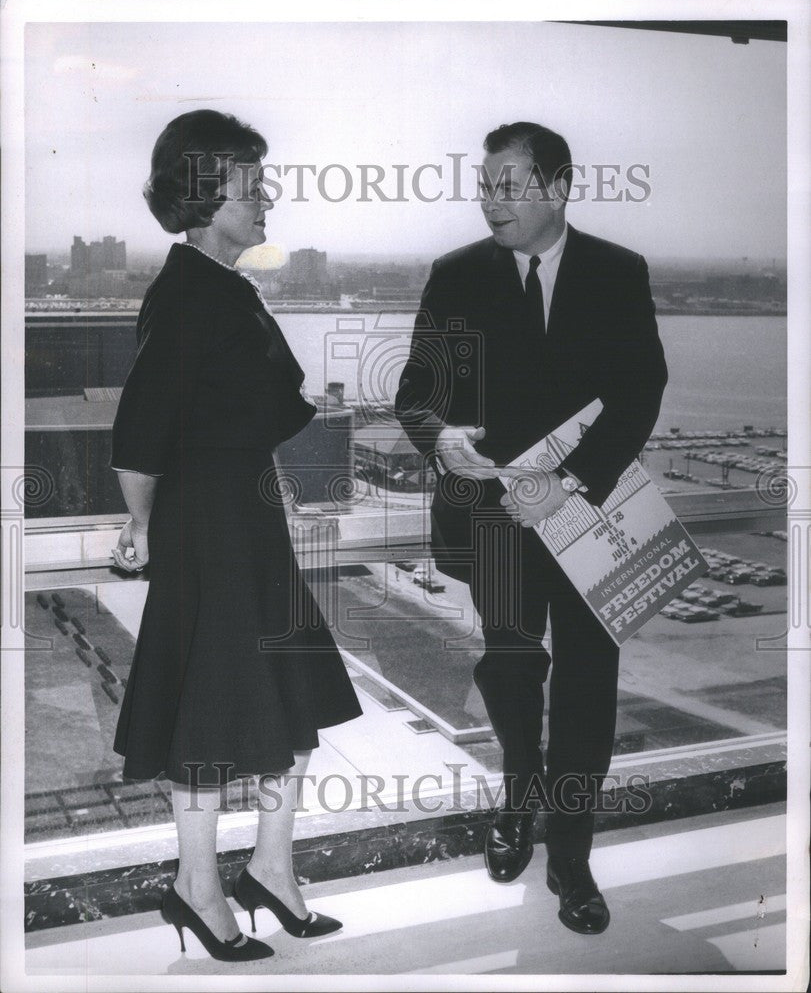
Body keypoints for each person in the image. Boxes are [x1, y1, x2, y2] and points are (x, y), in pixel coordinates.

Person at [395, 122, 667, 935]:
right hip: (495, 523)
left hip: (585, 517)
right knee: (510, 669)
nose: (490, 200)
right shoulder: (455, 276)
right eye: (484, 186)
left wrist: (571, 479)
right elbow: (416, 388)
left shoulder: (618, 272)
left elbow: (640, 389)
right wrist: (435, 436)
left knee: (588, 686)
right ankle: (519, 799)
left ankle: (573, 853)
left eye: (507, 185)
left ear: (556, 187)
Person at [109, 109, 362, 962]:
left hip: (250, 521)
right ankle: (197, 886)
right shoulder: (183, 295)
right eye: (252, 188)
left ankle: (272, 871)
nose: (268, 201)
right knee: (210, 713)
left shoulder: (226, 289)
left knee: (279, 704)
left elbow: (253, 412)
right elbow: (140, 435)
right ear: (203, 194)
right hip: (205, 533)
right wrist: (141, 528)